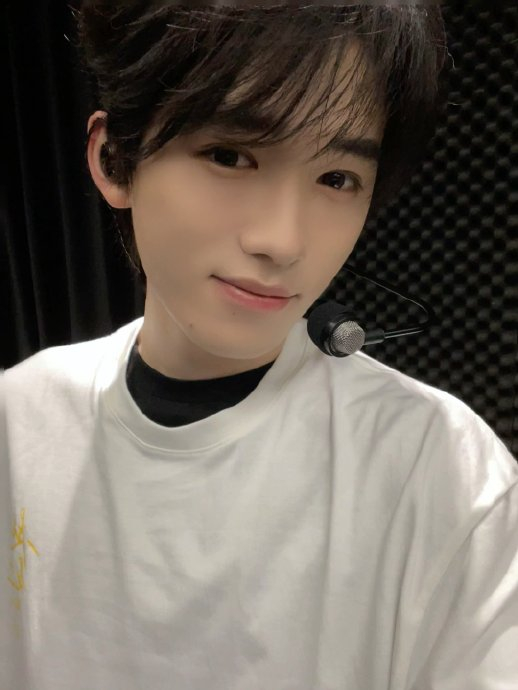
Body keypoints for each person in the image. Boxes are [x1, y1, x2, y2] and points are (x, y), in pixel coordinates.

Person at [2, 2, 517, 689]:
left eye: (337, 179)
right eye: (230, 156)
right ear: (115, 159)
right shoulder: (18, 419)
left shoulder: (441, 472)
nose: (282, 240)